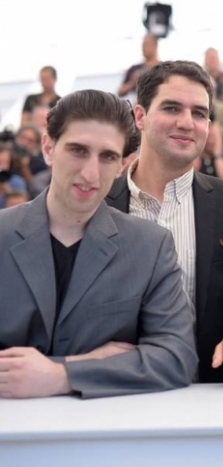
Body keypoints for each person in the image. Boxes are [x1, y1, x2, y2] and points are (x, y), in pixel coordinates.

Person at [0, 90, 197, 399]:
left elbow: (177, 357)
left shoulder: (150, 246)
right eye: (78, 150)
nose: (90, 173)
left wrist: (64, 373)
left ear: (123, 164)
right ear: (49, 148)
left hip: (105, 427)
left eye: (107, 157)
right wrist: (92, 362)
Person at [106, 61, 223, 383]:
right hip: (113, 392)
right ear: (140, 116)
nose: (186, 123)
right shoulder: (99, 205)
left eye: (198, 113)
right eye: (171, 108)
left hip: (211, 395)